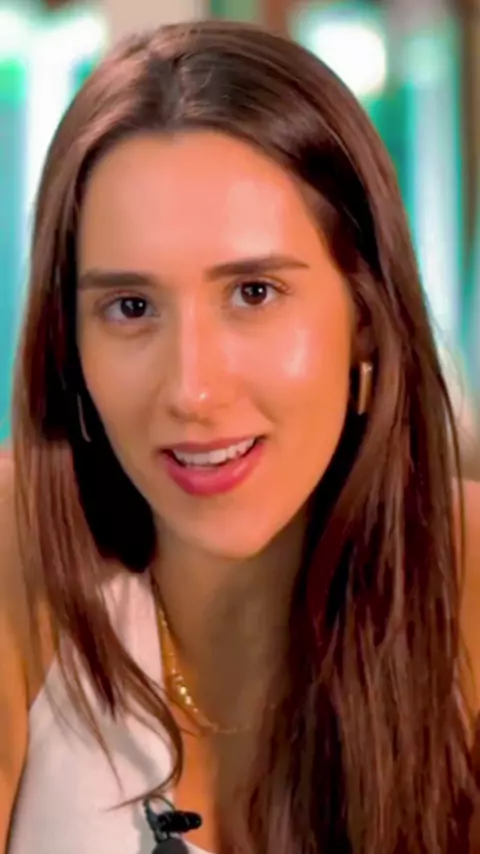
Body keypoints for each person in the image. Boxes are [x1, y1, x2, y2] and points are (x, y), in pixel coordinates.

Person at [0, 19, 479, 854]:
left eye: (254, 292)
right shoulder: (19, 558)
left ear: (366, 319)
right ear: (68, 345)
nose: (193, 390)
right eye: (131, 308)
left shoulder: (462, 574)